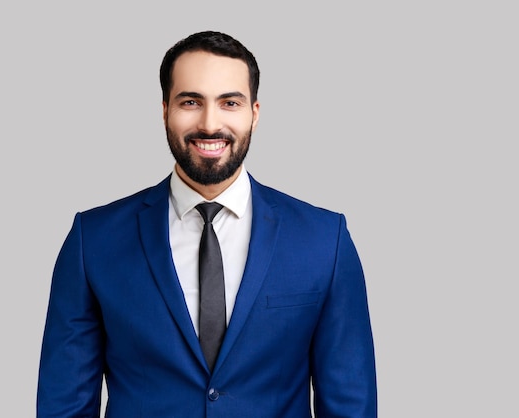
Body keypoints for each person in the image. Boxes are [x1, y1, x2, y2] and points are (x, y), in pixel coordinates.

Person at [37, 30, 377, 417]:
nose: (209, 123)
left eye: (229, 102)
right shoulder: (93, 240)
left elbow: (351, 406)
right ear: (165, 110)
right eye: (190, 101)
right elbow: (63, 405)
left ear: (255, 113)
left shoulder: (323, 240)